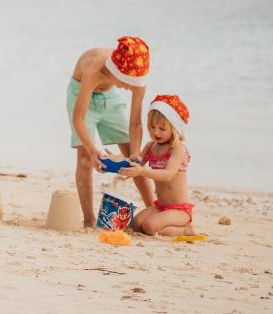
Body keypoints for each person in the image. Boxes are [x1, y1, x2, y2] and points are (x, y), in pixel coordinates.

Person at [67, 36, 155, 227]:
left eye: (133, 83)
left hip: (110, 96)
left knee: (133, 157)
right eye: (126, 82)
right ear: (116, 72)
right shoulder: (94, 69)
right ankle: (89, 220)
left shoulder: (138, 79)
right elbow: (78, 118)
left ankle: (153, 208)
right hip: (81, 94)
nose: (129, 88)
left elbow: (135, 123)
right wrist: (93, 150)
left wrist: (136, 153)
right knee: (84, 158)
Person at [119, 95, 194, 236]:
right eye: (152, 127)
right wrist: (117, 162)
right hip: (162, 206)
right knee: (136, 224)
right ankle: (166, 224)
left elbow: (168, 175)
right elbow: (136, 164)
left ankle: (186, 229)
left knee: (149, 227)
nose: (156, 132)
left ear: (174, 128)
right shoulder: (151, 146)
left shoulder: (178, 149)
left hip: (179, 210)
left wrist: (142, 171)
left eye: (162, 128)